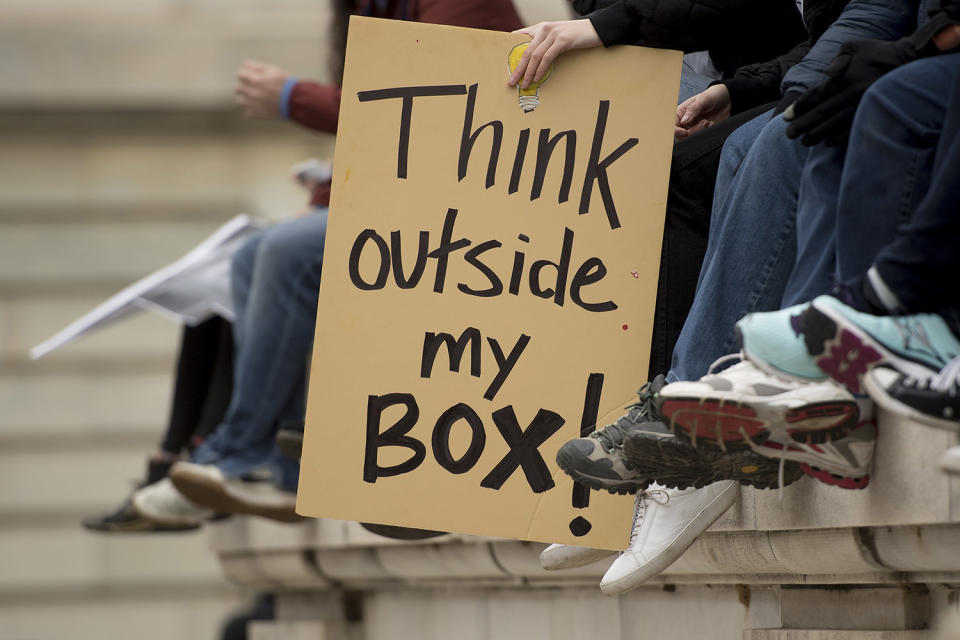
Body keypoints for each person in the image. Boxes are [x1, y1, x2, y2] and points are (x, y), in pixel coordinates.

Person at [130, 0, 525, 527]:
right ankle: (283, 473)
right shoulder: (371, 7)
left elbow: (430, 103)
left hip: (481, 211)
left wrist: (295, 97)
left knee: (287, 251)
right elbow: (389, 137)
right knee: (252, 254)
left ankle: (238, 453)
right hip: (417, 204)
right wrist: (326, 198)